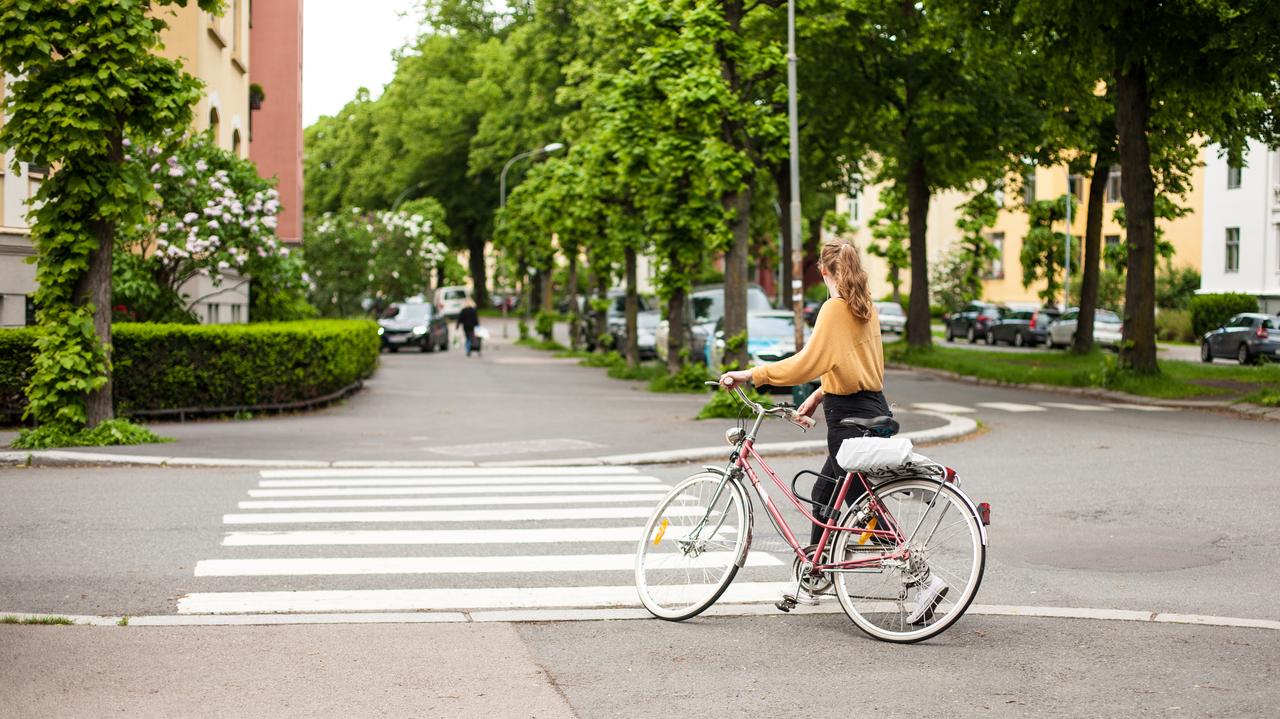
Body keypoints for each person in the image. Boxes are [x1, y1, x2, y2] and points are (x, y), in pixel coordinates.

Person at [717, 238, 946, 621]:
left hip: (849, 417)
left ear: (823, 271)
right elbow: (853, 362)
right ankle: (815, 574)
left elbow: (806, 362)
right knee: (840, 494)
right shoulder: (865, 306)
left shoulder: (834, 308)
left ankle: (918, 580)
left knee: (846, 496)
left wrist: (751, 374)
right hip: (872, 406)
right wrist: (821, 394)